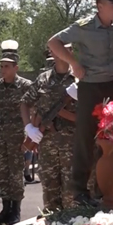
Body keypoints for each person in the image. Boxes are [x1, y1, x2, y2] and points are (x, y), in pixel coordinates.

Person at [47, 0, 113, 206]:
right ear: (100, 5)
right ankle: (80, 191)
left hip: (112, 88)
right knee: (85, 137)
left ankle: (106, 190)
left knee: (111, 140)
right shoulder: (83, 27)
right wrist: (74, 63)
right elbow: (53, 42)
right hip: (90, 88)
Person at [21, 47, 78, 210]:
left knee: (72, 193)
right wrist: (29, 127)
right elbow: (25, 103)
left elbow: (89, 114)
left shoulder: (79, 78)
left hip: (72, 145)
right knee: (50, 190)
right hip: (47, 146)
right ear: (52, 53)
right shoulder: (42, 79)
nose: (63, 53)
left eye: (68, 49)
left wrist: (63, 113)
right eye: (59, 49)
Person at [0, 52, 32, 225]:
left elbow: (33, 111)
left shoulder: (25, 86)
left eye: (7, 66)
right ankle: (5, 209)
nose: (3, 69)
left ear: (16, 68)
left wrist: (29, 136)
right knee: (3, 172)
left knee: (16, 172)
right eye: (2, 66)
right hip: (0, 135)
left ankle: (15, 209)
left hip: (18, 135)